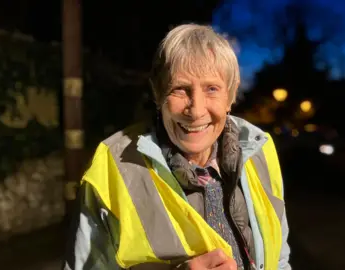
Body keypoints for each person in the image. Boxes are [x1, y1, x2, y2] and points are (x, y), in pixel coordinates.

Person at [63, 24, 291, 270]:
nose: (196, 110)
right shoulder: (113, 166)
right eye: (180, 89)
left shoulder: (260, 151)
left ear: (231, 95)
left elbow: (279, 258)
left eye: (212, 89)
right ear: (157, 93)